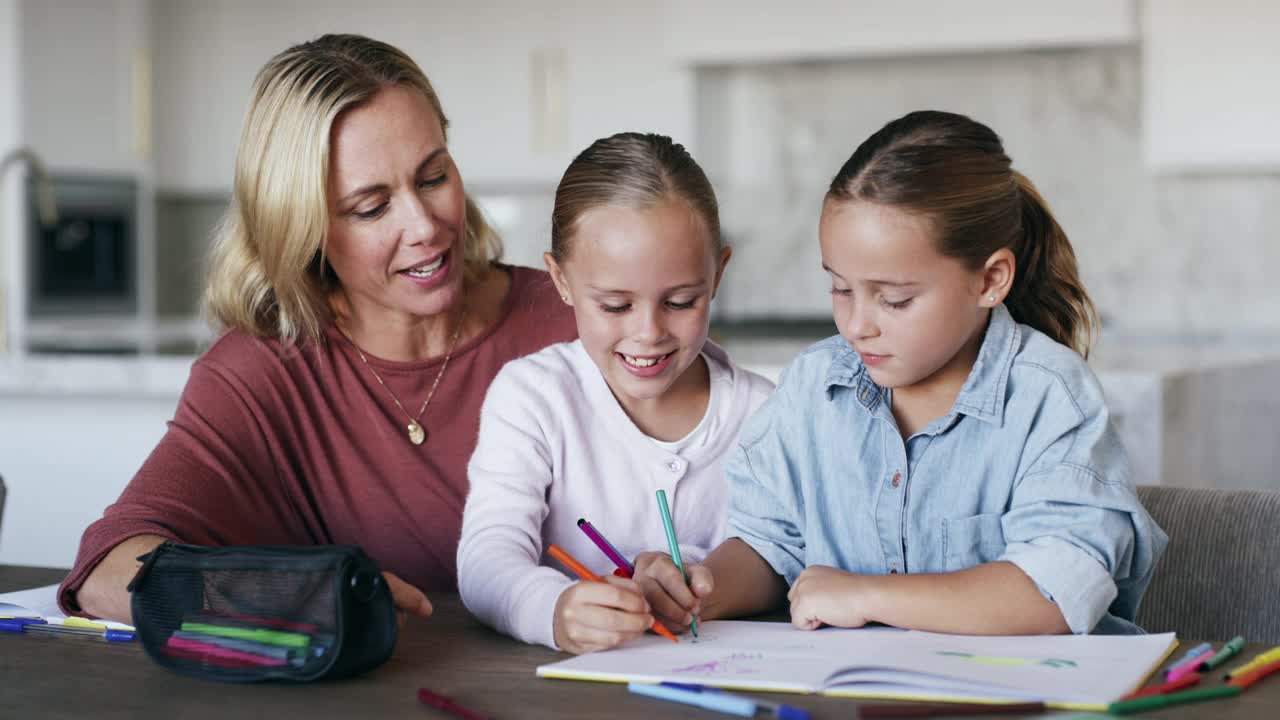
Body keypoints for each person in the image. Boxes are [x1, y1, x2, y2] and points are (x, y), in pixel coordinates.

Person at [59, 34, 576, 625]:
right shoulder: (260, 373)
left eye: (433, 177)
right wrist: (286, 598)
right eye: (371, 207)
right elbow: (108, 571)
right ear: (303, 226)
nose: (426, 226)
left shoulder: (575, 322)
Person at [634, 110, 1167, 636]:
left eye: (894, 299)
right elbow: (771, 546)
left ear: (990, 280)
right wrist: (702, 587)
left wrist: (863, 593)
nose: (857, 325)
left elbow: (1052, 594)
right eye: (840, 288)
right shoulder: (814, 386)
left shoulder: (1048, 397)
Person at [456, 132, 774, 653]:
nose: (648, 333)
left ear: (717, 275)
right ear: (561, 279)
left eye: (681, 301)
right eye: (614, 306)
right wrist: (554, 610)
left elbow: (781, 557)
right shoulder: (532, 398)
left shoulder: (765, 414)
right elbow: (487, 559)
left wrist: (699, 585)